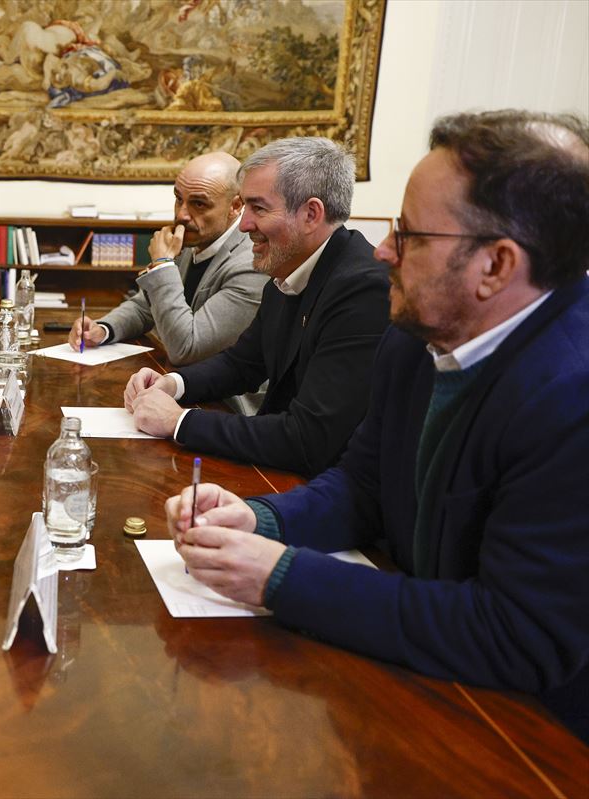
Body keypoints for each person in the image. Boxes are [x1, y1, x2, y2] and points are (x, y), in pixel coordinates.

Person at [166, 110, 589, 741]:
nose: (383, 250)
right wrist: (260, 520)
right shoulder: (413, 337)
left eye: (411, 235)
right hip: (419, 673)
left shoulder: (572, 395)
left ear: (496, 266)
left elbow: (516, 635)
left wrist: (279, 575)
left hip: (523, 735)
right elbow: (362, 486)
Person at [125, 137, 389, 476]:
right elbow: (243, 364)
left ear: (311, 214)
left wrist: (179, 421)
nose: (245, 224)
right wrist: (173, 384)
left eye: (258, 208)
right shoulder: (288, 264)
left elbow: (307, 439)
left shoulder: (364, 290)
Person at [70, 152, 265, 373]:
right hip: (178, 381)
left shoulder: (251, 264)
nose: (182, 215)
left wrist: (162, 265)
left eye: (199, 204)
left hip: (226, 400)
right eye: (178, 198)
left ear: (236, 206)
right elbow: (145, 307)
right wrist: (103, 329)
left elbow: (186, 349)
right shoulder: (191, 240)